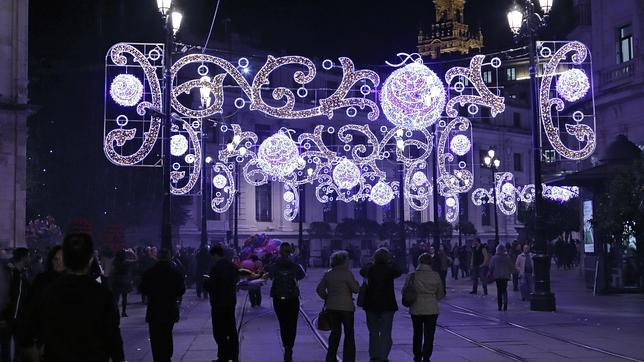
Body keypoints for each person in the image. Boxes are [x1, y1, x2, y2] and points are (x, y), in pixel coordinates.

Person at [38, 233, 125, 361]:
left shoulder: (49, 291)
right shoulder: (102, 294)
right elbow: (113, 335)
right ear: (90, 259)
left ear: (65, 259)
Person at [140, 248, 186, 362]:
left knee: (155, 336)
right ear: (169, 257)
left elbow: (142, 289)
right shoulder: (175, 273)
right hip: (169, 307)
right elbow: (181, 290)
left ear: (158, 257)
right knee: (167, 333)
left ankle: (157, 357)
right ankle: (167, 356)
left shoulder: (149, 272)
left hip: (154, 308)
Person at [316, 250, 360, 362]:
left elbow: (319, 289)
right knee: (349, 334)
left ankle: (331, 357)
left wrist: (326, 297)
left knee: (335, 333)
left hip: (332, 308)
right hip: (347, 308)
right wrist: (357, 284)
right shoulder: (347, 273)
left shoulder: (328, 274)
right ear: (344, 261)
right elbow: (356, 290)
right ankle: (349, 359)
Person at [359, 247, 402, 362]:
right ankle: (383, 356)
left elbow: (362, 271)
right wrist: (391, 260)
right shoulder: (390, 269)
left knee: (373, 332)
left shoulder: (370, 269)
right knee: (386, 332)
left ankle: (374, 355)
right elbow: (399, 271)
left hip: (371, 304)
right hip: (387, 304)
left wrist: (370, 262)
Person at [267, 242, 306, 362]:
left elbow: (271, 275)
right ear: (290, 251)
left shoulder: (274, 264)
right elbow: (302, 275)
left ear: (280, 252)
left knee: (283, 323)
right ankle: (290, 347)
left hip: (278, 298)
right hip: (292, 298)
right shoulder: (295, 264)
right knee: (292, 324)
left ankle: (286, 345)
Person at [406, 253, 445, 362]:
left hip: (416, 307)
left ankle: (417, 356)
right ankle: (426, 357)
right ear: (430, 263)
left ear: (419, 262)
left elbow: (405, 290)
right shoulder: (435, 275)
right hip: (431, 308)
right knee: (429, 335)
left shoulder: (412, 275)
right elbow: (440, 294)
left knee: (417, 333)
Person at [205, 244, 240, 362]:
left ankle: (223, 356)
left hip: (218, 303)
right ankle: (234, 356)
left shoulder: (216, 268)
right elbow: (236, 279)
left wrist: (206, 282)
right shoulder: (232, 266)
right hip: (230, 302)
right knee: (231, 329)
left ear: (215, 255)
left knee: (219, 332)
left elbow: (212, 285)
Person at [0, 248, 30, 362]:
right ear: (24, 257)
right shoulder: (15, 275)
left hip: (13, 318)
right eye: (28, 256)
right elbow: (14, 297)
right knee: (9, 348)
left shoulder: (18, 274)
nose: (29, 259)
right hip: (12, 318)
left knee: (9, 348)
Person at [489, 244, 513, 311]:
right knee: (504, 290)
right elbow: (511, 266)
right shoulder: (507, 257)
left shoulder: (494, 258)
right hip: (505, 276)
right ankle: (505, 305)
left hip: (497, 276)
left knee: (499, 291)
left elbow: (491, 267)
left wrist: (490, 273)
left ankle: (499, 306)